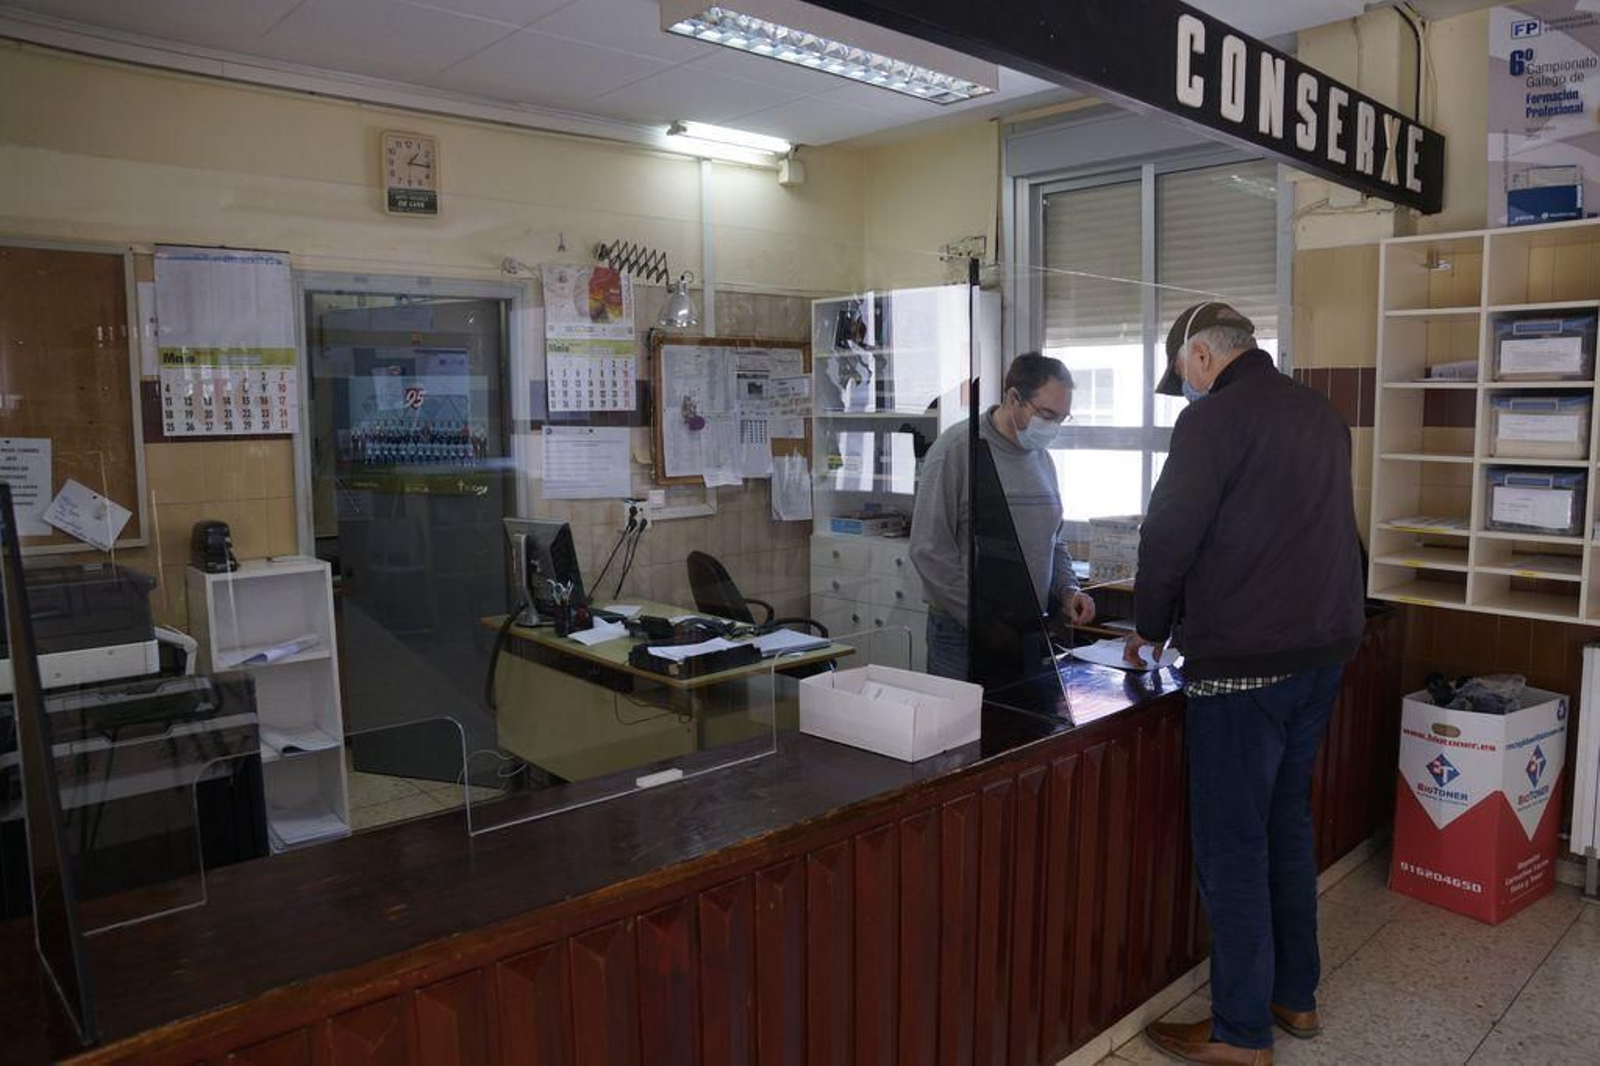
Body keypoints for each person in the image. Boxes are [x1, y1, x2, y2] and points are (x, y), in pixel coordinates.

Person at [1126, 303, 1365, 1065]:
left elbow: (1168, 534)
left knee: (1232, 848)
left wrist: (1150, 627)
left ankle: (1238, 1032)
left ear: (1200, 357)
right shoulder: (1319, 413)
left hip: (1242, 668)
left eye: (1182, 376)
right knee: (1286, 827)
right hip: (1322, 655)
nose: (1186, 391)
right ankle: (1295, 997)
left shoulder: (1212, 422)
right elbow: (1339, 532)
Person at [910, 352, 1096, 681]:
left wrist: (1069, 591)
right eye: (1046, 414)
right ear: (1014, 398)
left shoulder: (1043, 460)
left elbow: (1054, 540)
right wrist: (981, 620)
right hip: (962, 633)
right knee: (961, 732)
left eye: (1061, 418)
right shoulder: (958, 449)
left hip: (1025, 630)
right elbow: (929, 551)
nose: (1052, 427)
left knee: (1020, 729)